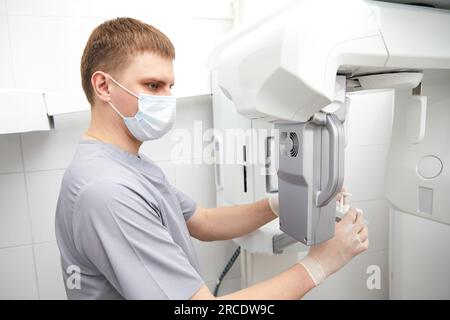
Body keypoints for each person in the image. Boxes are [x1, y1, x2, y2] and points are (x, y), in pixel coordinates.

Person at [55, 17, 369, 300]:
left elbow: (202, 221)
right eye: (153, 85)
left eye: (170, 86)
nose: (167, 99)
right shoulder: (107, 190)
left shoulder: (127, 163)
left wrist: (280, 203)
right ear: (103, 86)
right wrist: (319, 265)